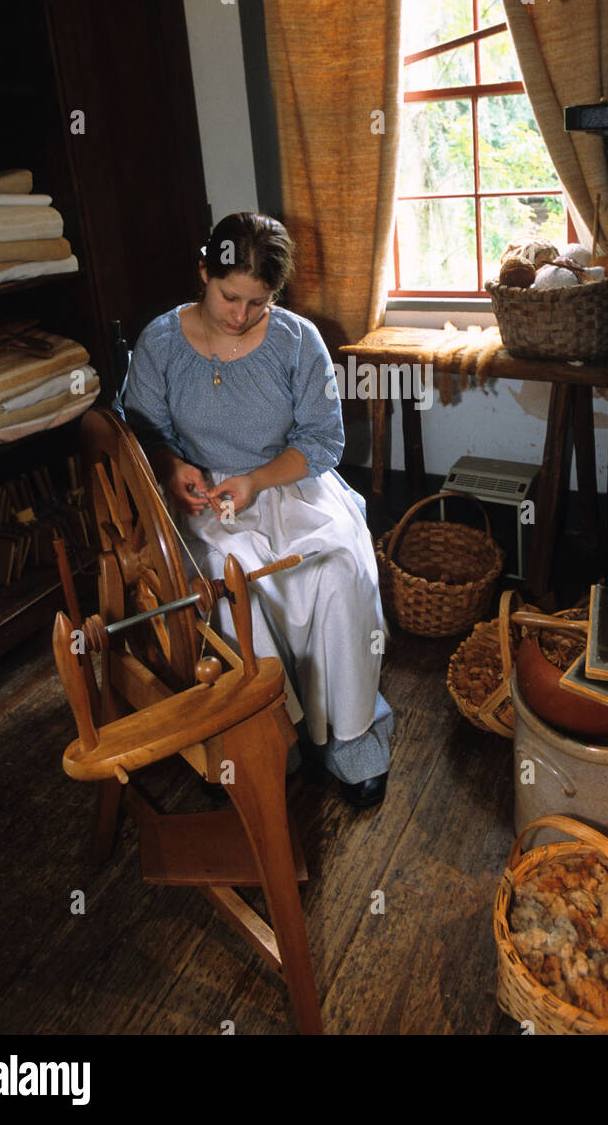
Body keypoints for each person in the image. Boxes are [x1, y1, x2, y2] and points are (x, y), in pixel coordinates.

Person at [123, 212, 391, 808]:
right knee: (230, 573)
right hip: (205, 500)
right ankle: (272, 734)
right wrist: (173, 468)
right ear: (203, 272)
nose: (240, 315)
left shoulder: (298, 340)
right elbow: (141, 431)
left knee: (341, 569)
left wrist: (257, 480)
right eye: (228, 295)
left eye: (257, 302)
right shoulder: (161, 341)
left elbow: (323, 441)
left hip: (289, 482)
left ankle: (349, 735)